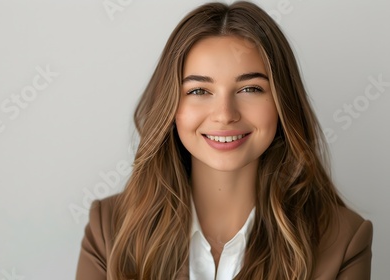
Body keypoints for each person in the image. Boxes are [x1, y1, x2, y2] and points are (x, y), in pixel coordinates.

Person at [76, 1, 373, 279]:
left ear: (283, 103)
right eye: (199, 91)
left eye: (250, 89)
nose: (224, 115)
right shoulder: (110, 229)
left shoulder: (343, 240)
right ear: (170, 106)